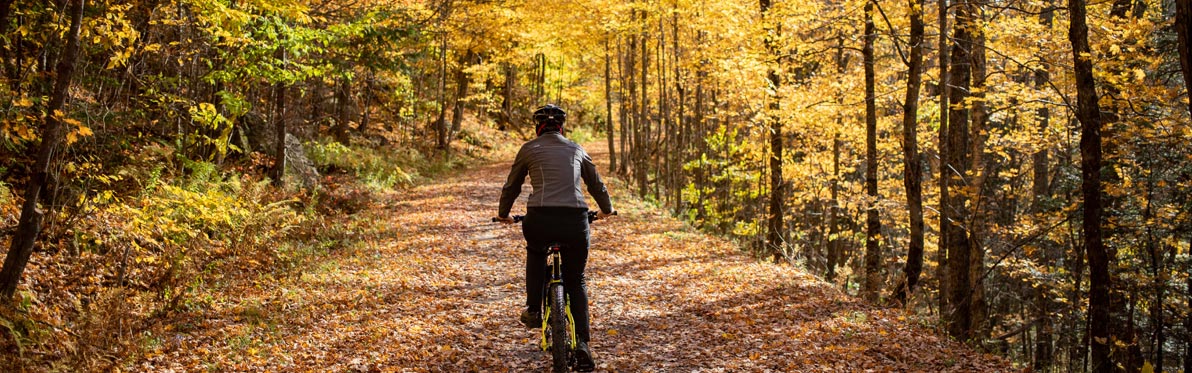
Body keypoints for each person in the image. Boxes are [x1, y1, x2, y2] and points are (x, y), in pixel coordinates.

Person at [495, 104, 614, 371]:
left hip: (540, 218)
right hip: (575, 220)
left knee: (536, 253)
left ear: (537, 127)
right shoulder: (576, 149)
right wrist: (607, 210)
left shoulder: (528, 149)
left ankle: (534, 310)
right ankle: (582, 342)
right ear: (562, 127)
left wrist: (503, 214)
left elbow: (512, 185)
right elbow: (596, 184)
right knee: (576, 278)